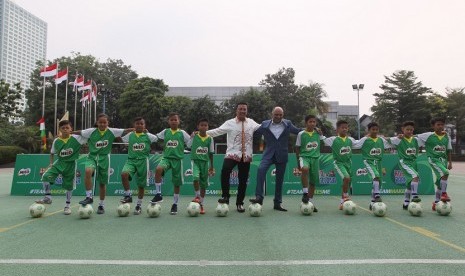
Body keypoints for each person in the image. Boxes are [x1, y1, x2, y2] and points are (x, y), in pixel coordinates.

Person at [206, 102, 260, 213]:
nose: (242, 111)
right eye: (240, 109)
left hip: (246, 156)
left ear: (247, 111)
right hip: (232, 154)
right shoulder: (229, 123)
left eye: (244, 109)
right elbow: (217, 131)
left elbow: (263, 129)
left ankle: (240, 203)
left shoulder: (252, 123)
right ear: (236, 110)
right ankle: (225, 196)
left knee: (243, 180)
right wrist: (202, 133)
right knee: (225, 171)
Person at [74, 113, 132, 214]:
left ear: (107, 123)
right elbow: (80, 132)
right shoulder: (91, 131)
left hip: (104, 158)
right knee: (88, 171)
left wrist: (136, 129)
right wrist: (70, 132)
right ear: (97, 122)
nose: (102, 124)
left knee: (102, 183)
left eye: (104, 122)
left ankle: (101, 205)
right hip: (92, 157)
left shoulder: (112, 131)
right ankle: (89, 197)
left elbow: (125, 130)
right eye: (100, 122)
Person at [249, 107, 300, 211]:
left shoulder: (288, 124)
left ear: (283, 115)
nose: (278, 117)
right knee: (261, 170)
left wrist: (312, 129)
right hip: (268, 154)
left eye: (280, 115)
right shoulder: (264, 124)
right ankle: (259, 197)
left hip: (282, 155)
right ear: (272, 114)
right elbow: (253, 134)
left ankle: (277, 203)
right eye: (276, 114)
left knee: (279, 180)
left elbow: (298, 131)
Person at [35, 120, 87, 215]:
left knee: (69, 186)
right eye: (63, 128)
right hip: (59, 163)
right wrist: (51, 163)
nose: (65, 130)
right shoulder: (57, 141)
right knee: (45, 176)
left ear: (71, 129)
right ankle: (48, 197)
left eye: (67, 128)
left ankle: (67, 206)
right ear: (60, 129)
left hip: (71, 164)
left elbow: (89, 135)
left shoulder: (77, 138)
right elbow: (52, 153)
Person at [149, 112, 190, 215]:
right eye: (171, 120)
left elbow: (190, 143)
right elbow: (155, 137)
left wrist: (194, 136)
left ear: (179, 121)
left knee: (176, 184)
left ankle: (175, 204)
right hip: (166, 158)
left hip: (178, 160)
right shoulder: (165, 131)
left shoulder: (182, 133)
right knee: (158, 169)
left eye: (175, 119)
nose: (173, 121)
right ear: (168, 121)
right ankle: (158, 194)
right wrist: (146, 134)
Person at [119, 117, 158, 215]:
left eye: (141, 124)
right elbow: (121, 138)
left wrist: (148, 132)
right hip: (131, 160)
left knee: (141, 186)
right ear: (134, 125)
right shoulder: (130, 135)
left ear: (144, 126)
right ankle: (128, 195)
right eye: (137, 123)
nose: (139, 125)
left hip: (143, 162)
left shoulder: (148, 136)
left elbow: (157, 138)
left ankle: (138, 205)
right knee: (124, 174)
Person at [322, 120, 362, 210]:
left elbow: (359, 144)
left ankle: (342, 202)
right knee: (346, 178)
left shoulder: (350, 140)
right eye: (342, 127)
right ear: (337, 129)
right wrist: (320, 134)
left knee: (347, 182)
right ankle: (346, 198)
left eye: (346, 127)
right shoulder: (333, 140)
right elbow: (322, 140)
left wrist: (367, 138)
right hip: (339, 163)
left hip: (349, 163)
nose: (345, 129)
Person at [416, 117, 453, 211]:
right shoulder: (428, 135)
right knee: (445, 173)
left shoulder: (446, 136)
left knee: (440, 183)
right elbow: (414, 136)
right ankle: (444, 194)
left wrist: (450, 163)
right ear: (433, 126)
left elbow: (449, 150)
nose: (440, 126)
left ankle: (436, 203)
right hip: (433, 159)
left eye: (442, 124)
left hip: (443, 161)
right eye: (438, 124)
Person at [354, 122, 391, 210]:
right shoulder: (364, 140)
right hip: (369, 161)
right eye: (373, 129)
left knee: (379, 183)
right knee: (376, 176)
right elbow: (354, 145)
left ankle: (372, 202)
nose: (375, 131)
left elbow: (392, 143)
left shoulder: (381, 140)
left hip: (378, 162)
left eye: (376, 129)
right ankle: (377, 195)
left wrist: (395, 138)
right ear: (369, 130)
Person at [389, 121, 422, 210]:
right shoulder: (399, 139)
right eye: (407, 129)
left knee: (409, 184)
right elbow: (386, 139)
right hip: (405, 162)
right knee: (415, 176)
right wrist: (396, 136)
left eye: (411, 130)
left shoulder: (416, 140)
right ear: (403, 129)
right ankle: (414, 196)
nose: (409, 131)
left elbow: (428, 139)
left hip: (414, 162)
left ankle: (406, 202)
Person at [294, 115, 324, 212]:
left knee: (313, 182)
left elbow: (324, 140)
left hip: (315, 158)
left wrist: (321, 133)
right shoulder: (301, 134)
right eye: (310, 121)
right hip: (304, 157)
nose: (312, 123)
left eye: (314, 122)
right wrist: (298, 160)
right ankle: (305, 193)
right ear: (306, 123)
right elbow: (297, 148)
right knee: (305, 169)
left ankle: (310, 202)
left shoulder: (318, 134)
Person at [187, 118, 215, 214]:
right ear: (198, 127)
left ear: (208, 127)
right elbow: (188, 145)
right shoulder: (195, 136)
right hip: (195, 161)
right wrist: (191, 137)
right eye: (201, 125)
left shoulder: (210, 139)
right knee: (195, 178)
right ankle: (197, 196)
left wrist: (211, 166)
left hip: (205, 163)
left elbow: (211, 153)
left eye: (205, 125)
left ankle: (201, 204)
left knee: (203, 185)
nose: (203, 127)